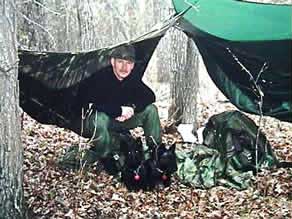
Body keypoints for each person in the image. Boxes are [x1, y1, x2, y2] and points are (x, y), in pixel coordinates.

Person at [60, 44, 162, 170]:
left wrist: (131, 108)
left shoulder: (132, 79)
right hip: (93, 122)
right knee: (100, 117)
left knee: (151, 110)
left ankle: (156, 153)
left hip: (119, 122)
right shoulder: (99, 77)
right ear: (112, 61)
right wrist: (119, 111)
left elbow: (150, 96)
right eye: (120, 62)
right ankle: (106, 158)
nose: (124, 67)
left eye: (129, 63)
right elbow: (92, 104)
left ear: (133, 65)